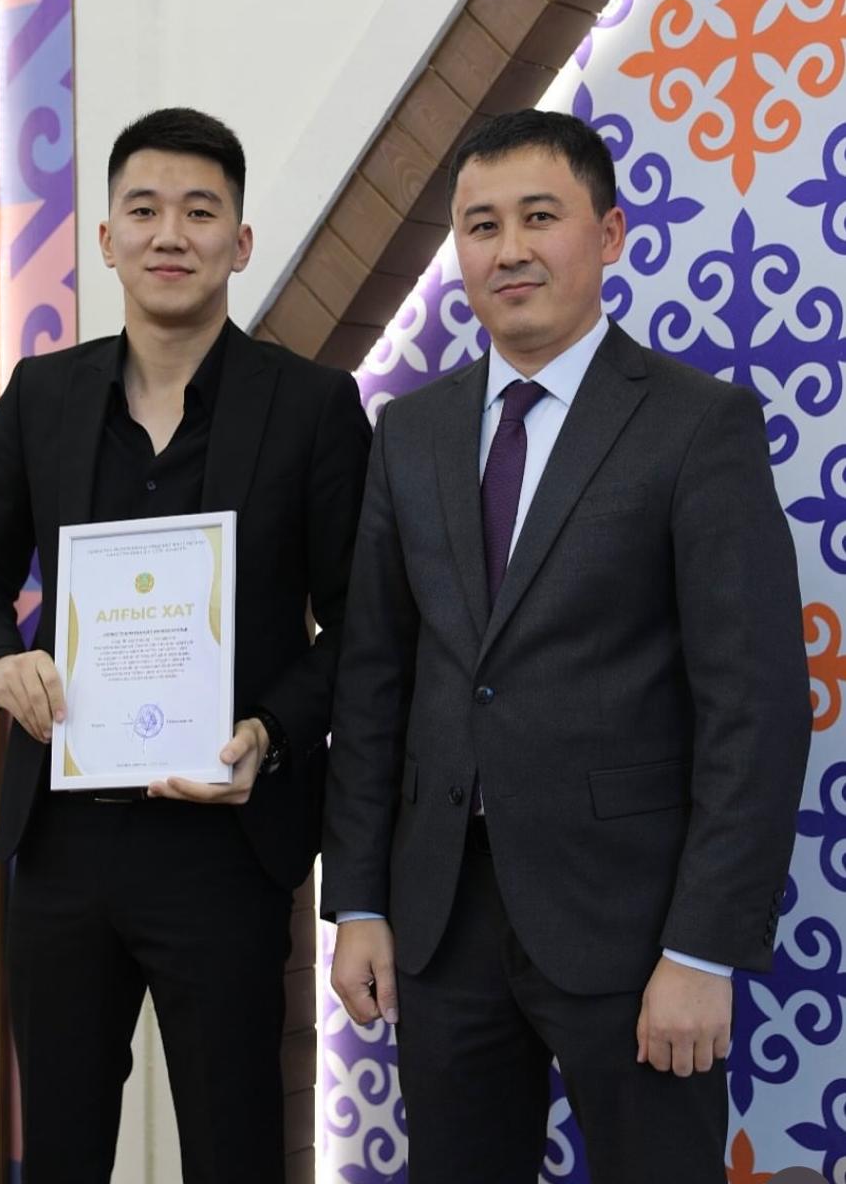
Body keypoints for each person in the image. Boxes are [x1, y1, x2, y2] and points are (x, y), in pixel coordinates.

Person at [321, 109, 811, 1184]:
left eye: (539, 217)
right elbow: (373, 682)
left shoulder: (697, 424)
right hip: (442, 923)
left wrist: (701, 948)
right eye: (480, 225)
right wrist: (358, 900)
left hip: (635, 929)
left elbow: (757, 706)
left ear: (610, 233)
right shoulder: (410, 432)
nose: (509, 249)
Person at [0, 106, 371, 1183]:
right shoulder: (43, 395)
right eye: (144, 209)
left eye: (199, 211)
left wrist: (270, 730)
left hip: (225, 844)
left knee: (234, 1148)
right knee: (62, 1149)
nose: (170, 233)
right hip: (63, 844)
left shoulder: (314, 407)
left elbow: (363, 623)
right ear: (106, 238)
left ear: (241, 240)